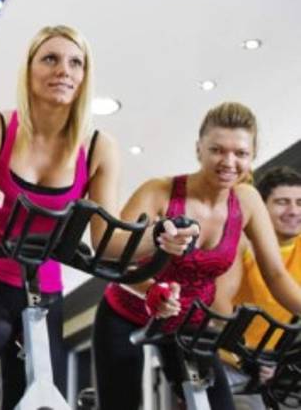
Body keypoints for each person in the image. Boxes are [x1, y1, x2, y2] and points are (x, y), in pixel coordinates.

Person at [0, 25, 147, 409]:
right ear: (29, 70)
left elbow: (107, 242)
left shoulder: (98, 148)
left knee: (37, 391)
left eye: (75, 63)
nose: (64, 70)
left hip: (41, 290)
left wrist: (161, 237)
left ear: (84, 76)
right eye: (50, 59)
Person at [92, 102, 301, 410]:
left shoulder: (247, 201)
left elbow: (276, 274)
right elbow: (110, 255)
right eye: (217, 150)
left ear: (252, 156)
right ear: (199, 149)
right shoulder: (159, 191)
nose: (228, 162)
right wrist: (150, 289)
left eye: (240, 153)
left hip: (190, 323)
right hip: (127, 313)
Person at [213, 166, 301, 408]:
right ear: (260, 208)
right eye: (282, 202)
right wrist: (244, 357)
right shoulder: (240, 242)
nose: (293, 211)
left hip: (270, 361)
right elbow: (220, 302)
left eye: (299, 202)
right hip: (226, 357)